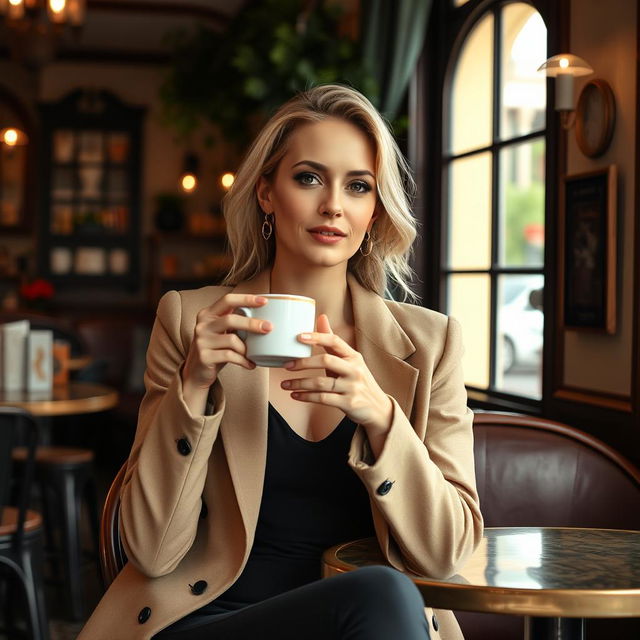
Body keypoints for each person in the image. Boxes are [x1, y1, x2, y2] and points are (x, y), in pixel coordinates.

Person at [78, 84, 483, 640]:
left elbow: (446, 553)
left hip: (361, 625)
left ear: (374, 209)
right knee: (384, 594)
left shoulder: (430, 343)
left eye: (358, 186)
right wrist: (194, 389)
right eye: (309, 178)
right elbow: (150, 549)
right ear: (267, 192)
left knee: (384, 594)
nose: (333, 205)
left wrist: (382, 419)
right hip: (208, 620)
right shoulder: (190, 320)